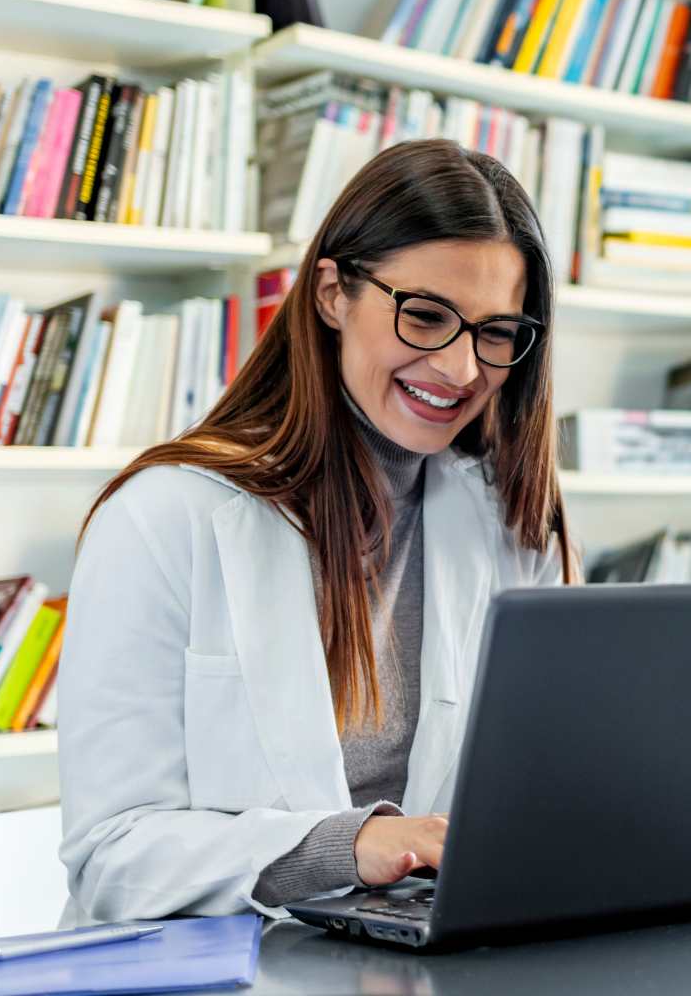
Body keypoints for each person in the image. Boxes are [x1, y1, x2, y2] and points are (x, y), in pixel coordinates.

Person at [56, 139, 573, 922]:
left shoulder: (510, 523)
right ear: (333, 293)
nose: (463, 370)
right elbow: (112, 858)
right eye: (427, 315)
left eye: (496, 333)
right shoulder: (163, 516)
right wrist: (344, 847)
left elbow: (543, 790)